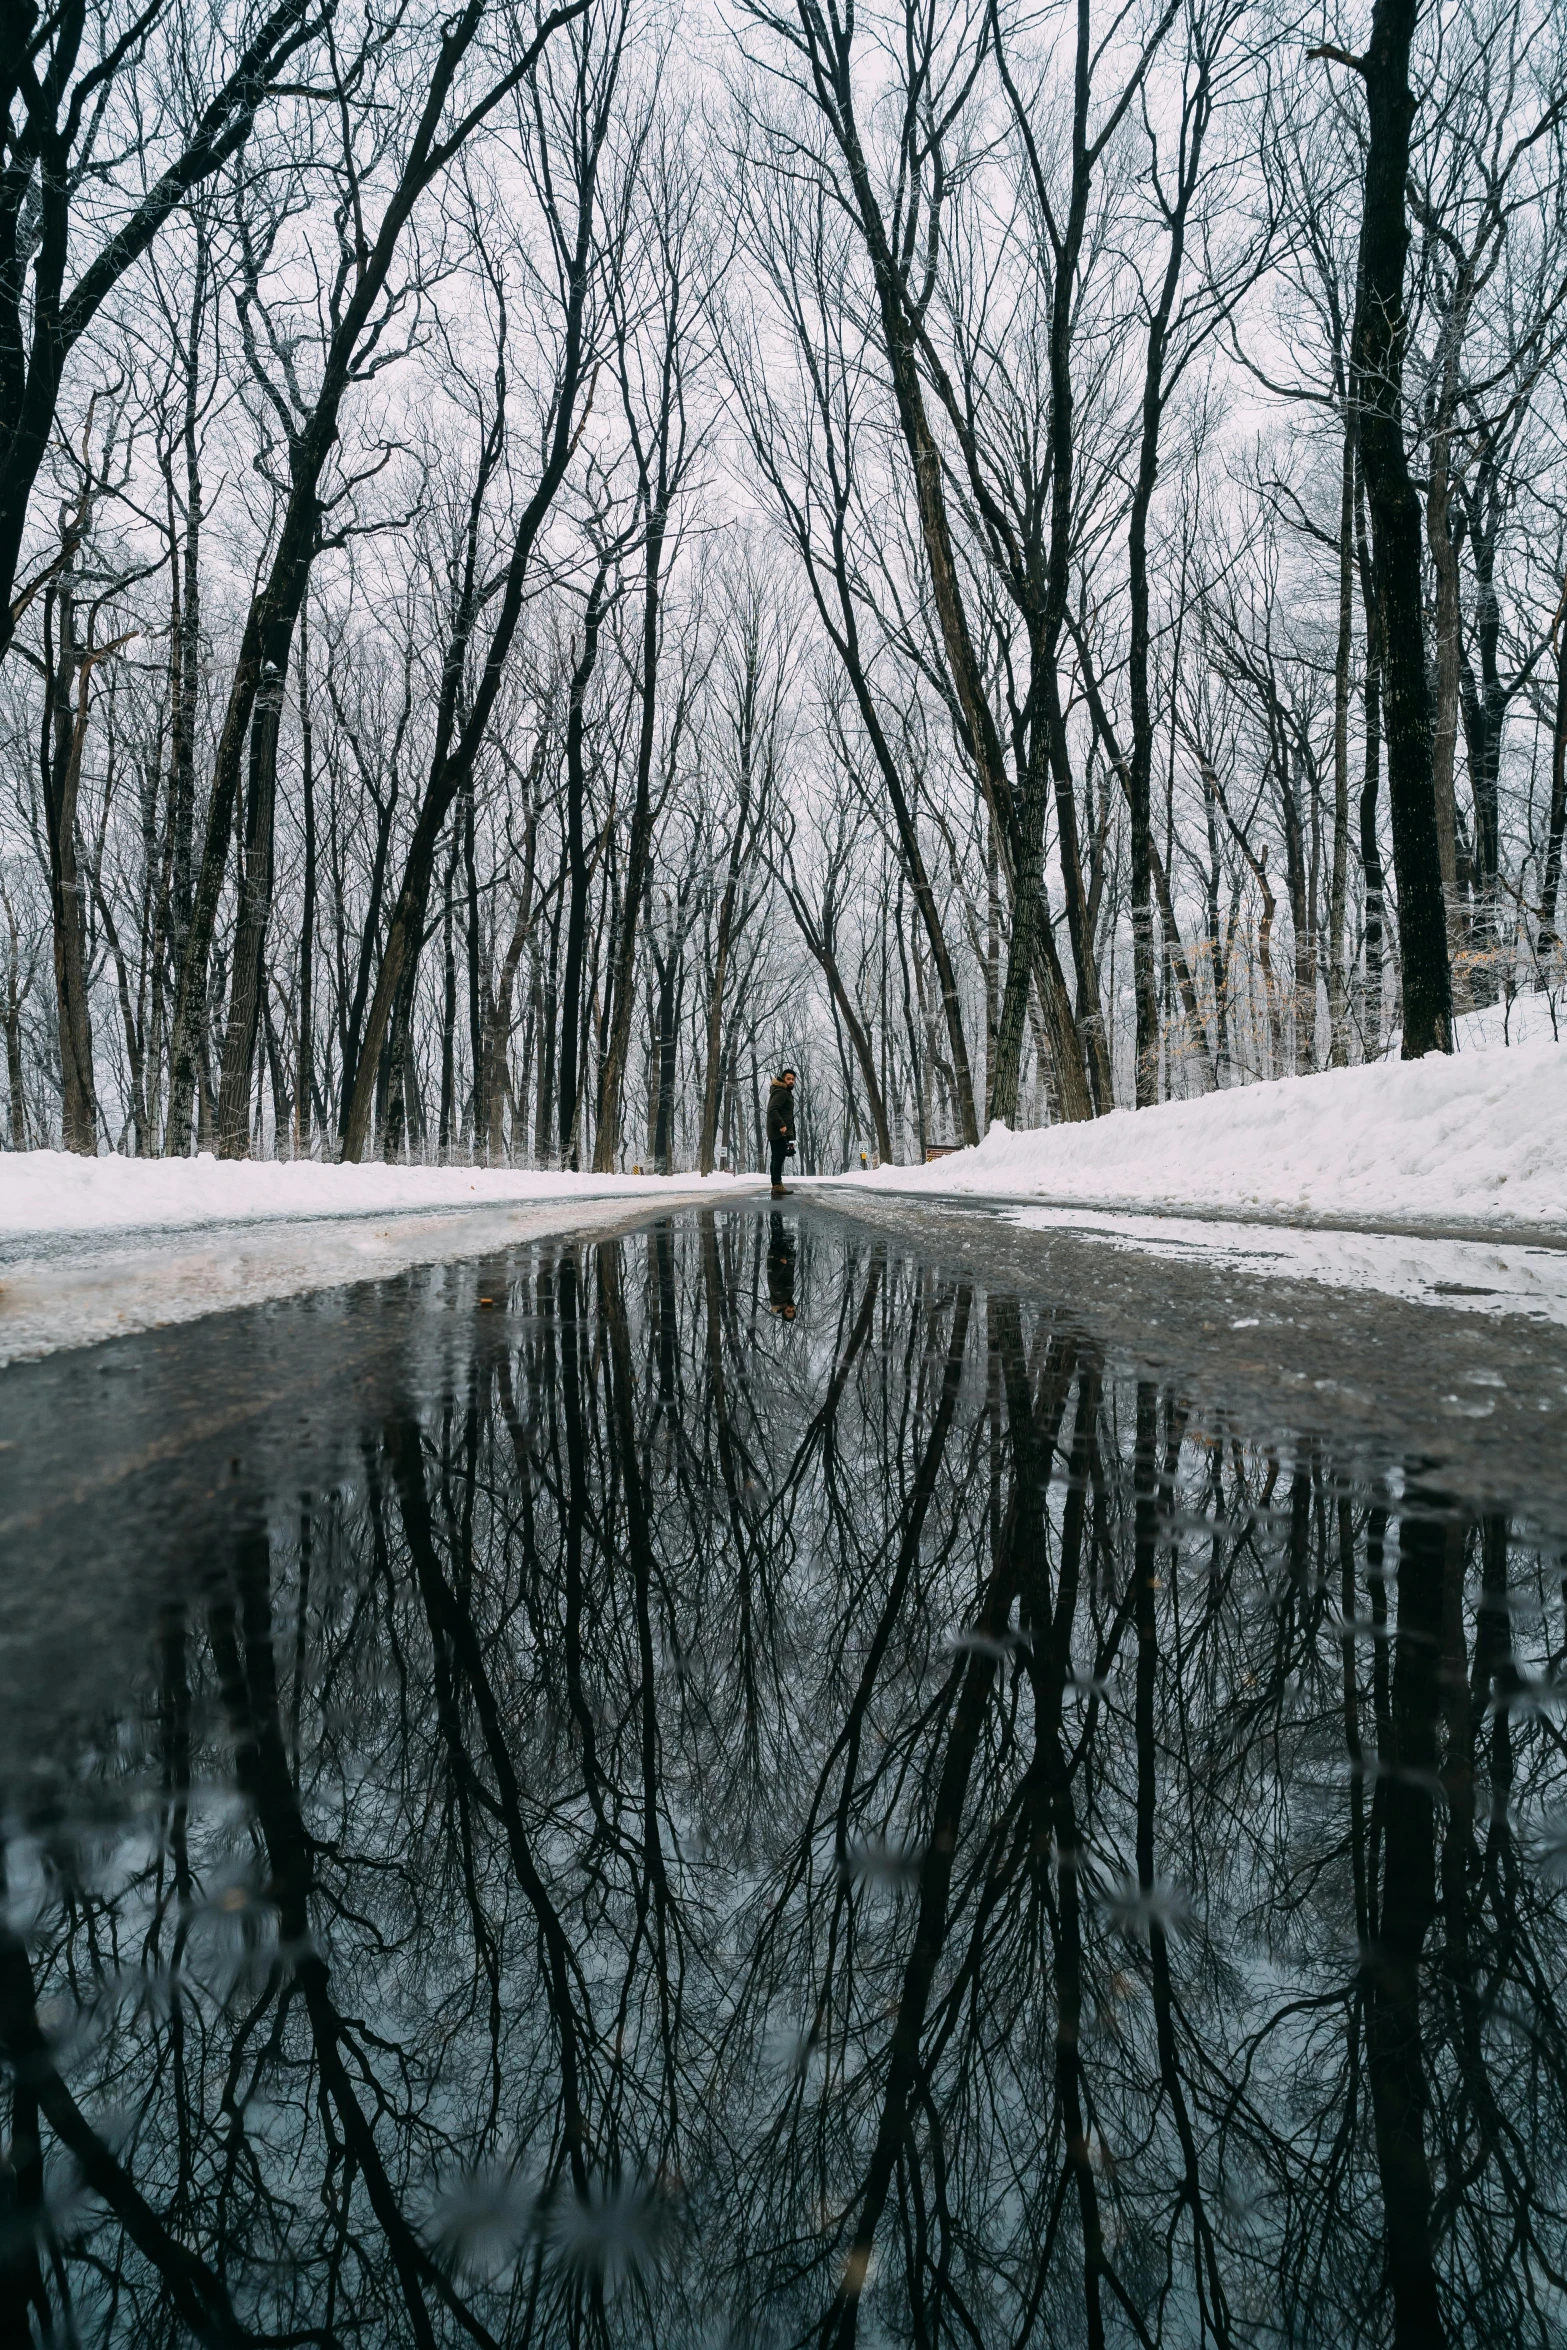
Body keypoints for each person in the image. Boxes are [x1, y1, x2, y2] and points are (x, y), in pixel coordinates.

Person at [765, 1068, 796, 1196]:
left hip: (780, 1131)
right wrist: (782, 1125)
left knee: (778, 1157)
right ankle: (777, 1185)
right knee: (778, 1157)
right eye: (788, 1079)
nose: (791, 1081)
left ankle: (777, 1184)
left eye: (793, 1079)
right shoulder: (781, 1093)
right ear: (783, 1079)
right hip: (778, 1131)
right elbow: (773, 1110)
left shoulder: (785, 1092)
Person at [765, 1212, 797, 1321]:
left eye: (789, 1311)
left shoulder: (780, 1298)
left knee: (777, 1231)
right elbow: (789, 1275)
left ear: (783, 1310)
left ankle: (776, 1205)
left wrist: (781, 1263)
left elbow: (772, 1280)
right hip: (785, 1257)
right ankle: (777, 1207)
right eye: (793, 1311)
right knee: (779, 1231)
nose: (791, 1309)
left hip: (780, 1256)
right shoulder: (786, 1298)